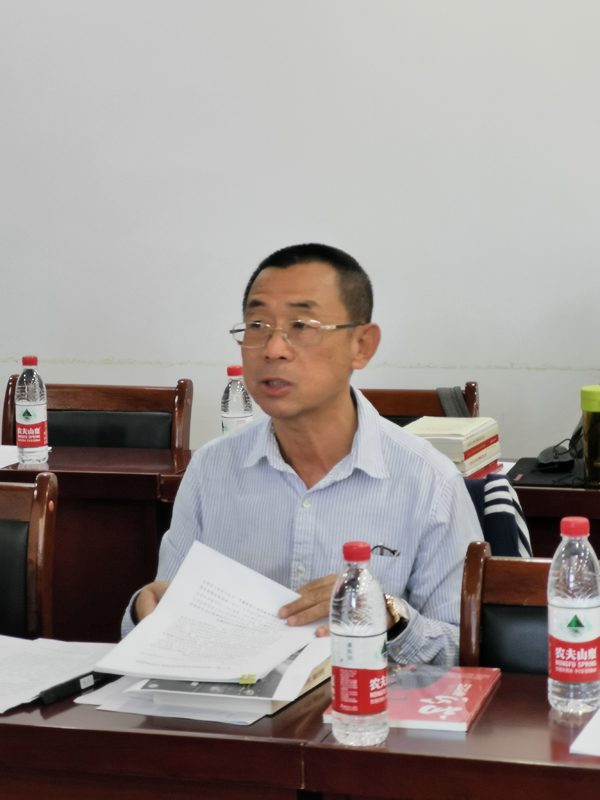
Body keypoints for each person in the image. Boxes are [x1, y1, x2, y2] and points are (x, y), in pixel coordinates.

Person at [122, 243, 482, 665]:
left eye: (301, 325)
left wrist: (386, 616)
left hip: (365, 703)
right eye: (257, 325)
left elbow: (465, 652)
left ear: (362, 345)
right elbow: (163, 612)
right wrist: (145, 612)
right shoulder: (211, 469)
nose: (273, 348)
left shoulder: (429, 482)